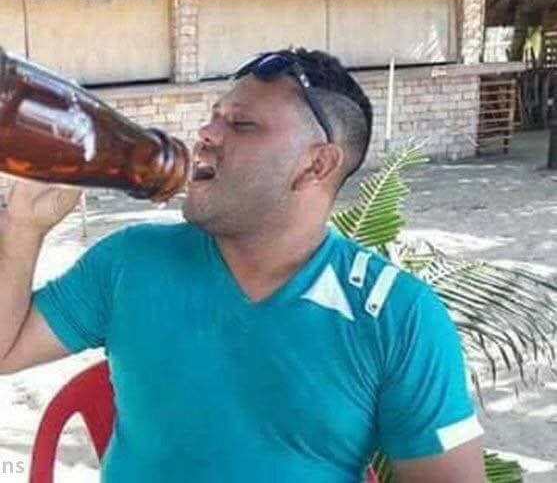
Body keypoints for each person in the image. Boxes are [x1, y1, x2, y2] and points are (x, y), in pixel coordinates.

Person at [0, 49, 485, 482]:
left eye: (242, 124)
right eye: (214, 118)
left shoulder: (395, 315)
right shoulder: (131, 260)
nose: (206, 134)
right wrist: (24, 228)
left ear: (317, 165)